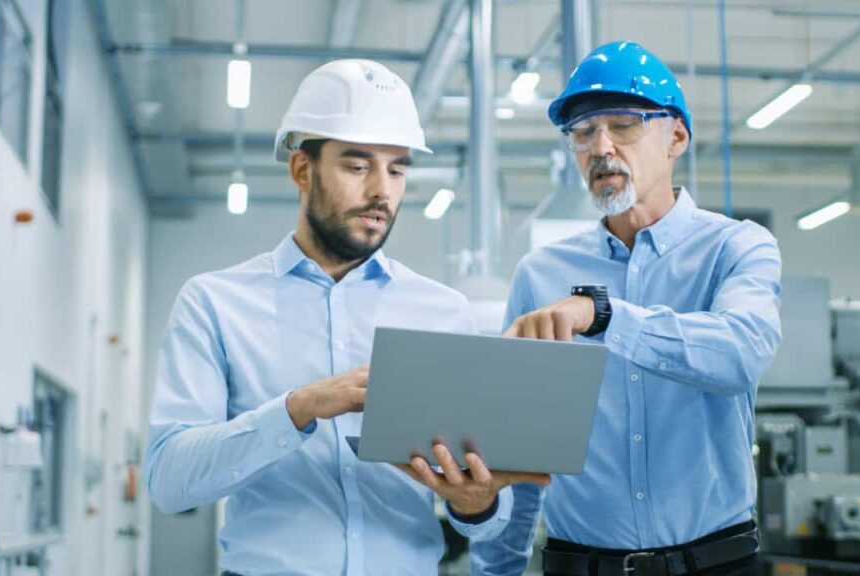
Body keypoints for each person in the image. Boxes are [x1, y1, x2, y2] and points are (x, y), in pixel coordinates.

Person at [146, 59, 548, 576]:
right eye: (358, 167)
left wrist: (476, 502)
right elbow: (168, 479)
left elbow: (488, 518)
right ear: (301, 169)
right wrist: (299, 408)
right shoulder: (215, 303)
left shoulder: (442, 313)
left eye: (397, 168)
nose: (382, 190)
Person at [471, 41, 782, 576]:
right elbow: (519, 456)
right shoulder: (540, 275)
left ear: (676, 136)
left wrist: (604, 314)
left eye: (625, 124)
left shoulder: (737, 248)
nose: (601, 146)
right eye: (584, 132)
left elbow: (740, 354)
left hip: (717, 564)